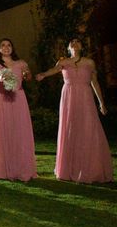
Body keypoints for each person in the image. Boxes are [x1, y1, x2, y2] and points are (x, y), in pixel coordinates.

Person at [36, 38, 113, 183]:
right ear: (68, 48)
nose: (75, 44)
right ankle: (69, 168)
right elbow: (54, 70)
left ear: (82, 46)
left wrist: (101, 103)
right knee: (70, 128)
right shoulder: (63, 62)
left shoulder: (89, 62)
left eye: (78, 42)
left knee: (88, 128)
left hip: (85, 96)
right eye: (72, 43)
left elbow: (94, 83)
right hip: (69, 97)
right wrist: (43, 75)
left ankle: (92, 168)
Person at [0, 38, 37, 181]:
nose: (6, 47)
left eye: (9, 45)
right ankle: (2, 169)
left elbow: (28, 76)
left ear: (12, 48)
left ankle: (20, 168)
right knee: (3, 131)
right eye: (3, 45)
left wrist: (27, 74)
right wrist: (4, 76)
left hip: (18, 98)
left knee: (19, 131)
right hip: (1, 98)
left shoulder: (21, 63)